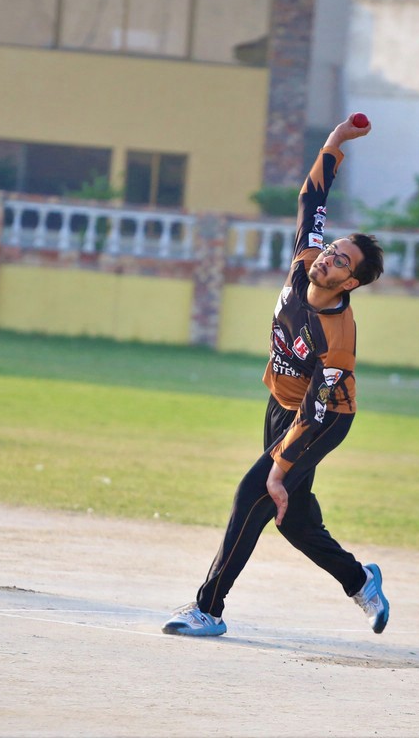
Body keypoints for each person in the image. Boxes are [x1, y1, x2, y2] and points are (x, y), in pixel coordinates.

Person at [162, 115, 388, 638]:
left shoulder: (339, 334)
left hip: (324, 418)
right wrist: (335, 142)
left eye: (341, 262)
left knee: (255, 494)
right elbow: (313, 199)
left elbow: (317, 408)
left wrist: (279, 466)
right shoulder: (305, 260)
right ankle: (360, 580)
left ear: (350, 283)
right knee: (294, 519)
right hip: (282, 404)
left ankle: (208, 609)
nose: (328, 258)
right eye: (332, 250)